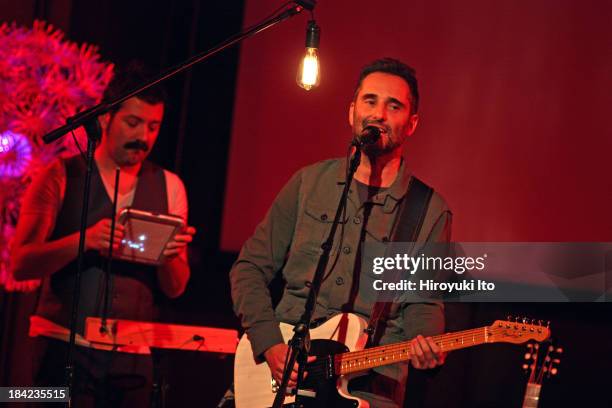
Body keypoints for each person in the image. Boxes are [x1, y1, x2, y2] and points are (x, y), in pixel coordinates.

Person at [230, 58, 451, 407]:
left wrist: (427, 342)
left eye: (393, 106)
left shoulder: (429, 210)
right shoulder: (308, 183)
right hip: (283, 370)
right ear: (352, 112)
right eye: (370, 101)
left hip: (368, 385)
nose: (379, 113)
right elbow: (249, 268)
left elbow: (423, 302)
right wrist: (269, 343)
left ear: (411, 124)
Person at [11, 61, 196, 407]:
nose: (144, 136)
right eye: (133, 122)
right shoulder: (60, 175)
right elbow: (20, 263)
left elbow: (176, 287)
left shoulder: (170, 187)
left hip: (133, 359)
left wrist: (168, 256)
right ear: (104, 118)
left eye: (154, 126)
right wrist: (86, 241)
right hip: (60, 348)